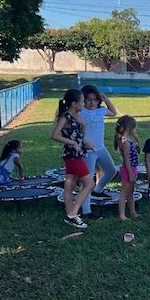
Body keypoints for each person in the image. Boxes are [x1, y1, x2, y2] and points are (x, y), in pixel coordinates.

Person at [51, 89, 95, 229]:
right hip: (72, 156)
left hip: (77, 154)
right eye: (82, 101)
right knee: (89, 184)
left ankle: (70, 213)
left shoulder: (76, 116)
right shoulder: (65, 117)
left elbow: (80, 136)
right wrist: (72, 143)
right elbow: (55, 135)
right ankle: (73, 214)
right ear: (74, 104)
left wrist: (83, 125)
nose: (84, 104)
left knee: (70, 184)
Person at [79, 85, 118, 220]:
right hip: (88, 152)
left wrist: (106, 99)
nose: (92, 102)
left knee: (111, 170)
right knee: (88, 181)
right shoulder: (81, 112)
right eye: (88, 99)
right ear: (83, 100)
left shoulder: (101, 111)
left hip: (101, 149)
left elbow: (113, 113)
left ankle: (98, 190)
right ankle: (86, 210)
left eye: (95, 99)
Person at [114, 115, 140, 221]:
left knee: (130, 192)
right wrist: (130, 173)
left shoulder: (126, 139)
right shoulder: (124, 142)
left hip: (132, 168)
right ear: (129, 128)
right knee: (124, 193)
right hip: (128, 169)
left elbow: (138, 147)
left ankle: (133, 212)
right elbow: (126, 160)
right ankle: (122, 215)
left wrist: (136, 137)